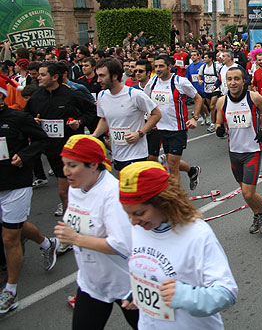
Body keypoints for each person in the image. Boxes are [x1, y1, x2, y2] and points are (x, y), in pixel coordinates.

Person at [118, 161, 238, 328]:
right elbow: (150, 270)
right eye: (128, 214)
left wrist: (184, 296)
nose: (132, 222)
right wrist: (138, 292)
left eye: (139, 213)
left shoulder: (197, 234)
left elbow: (227, 293)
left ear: (164, 202)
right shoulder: (141, 227)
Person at [53, 135, 138, 329]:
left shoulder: (112, 194)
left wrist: (76, 238)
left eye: (72, 166)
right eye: (64, 164)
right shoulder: (77, 186)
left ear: (93, 164)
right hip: (92, 283)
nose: (66, 172)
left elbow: (121, 245)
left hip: (127, 285)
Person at [0, 78, 59, 314]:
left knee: (9, 237)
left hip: (16, 184)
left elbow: (42, 139)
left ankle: (11, 292)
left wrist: (25, 155)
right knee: (15, 226)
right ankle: (47, 244)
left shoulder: (18, 118)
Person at [24, 62, 96, 221]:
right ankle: (76, 222)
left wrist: (79, 122)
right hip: (51, 150)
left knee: (66, 191)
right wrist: (33, 121)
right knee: (68, 191)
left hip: (71, 150)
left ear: (55, 77)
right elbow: (26, 116)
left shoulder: (72, 95)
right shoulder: (36, 97)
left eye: (43, 75)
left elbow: (91, 111)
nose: (38, 78)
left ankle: (75, 227)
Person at [215, 66, 262, 234]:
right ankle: (257, 214)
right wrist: (219, 127)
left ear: (243, 81)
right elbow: (219, 122)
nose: (233, 83)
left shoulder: (253, 98)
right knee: (244, 191)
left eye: (236, 79)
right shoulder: (222, 101)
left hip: (252, 150)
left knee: (248, 193)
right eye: (229, 79)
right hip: (234, 152)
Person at [92, 58, 161, 173]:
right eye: (98, 76)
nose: (98, 80)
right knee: (123, 188)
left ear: (114, 76)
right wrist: (94, 135)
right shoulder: (102, 95)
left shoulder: (134, 95)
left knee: (135, 190)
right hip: (117, 153)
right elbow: (104, 119)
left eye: (102, 76)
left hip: (136, 154)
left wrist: (140, 133)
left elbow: (156, 114)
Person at [144, 55, 203, 189]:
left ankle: (176, 199)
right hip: (159, 128)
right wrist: (149, 118)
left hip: (177, 129)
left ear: (169, 67)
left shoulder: (180, 82)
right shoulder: (152, 81)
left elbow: (198, 98)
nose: (157, 69)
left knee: (172, 164)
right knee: (168, 160)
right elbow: (146, 101)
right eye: (156, 66)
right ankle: (192, 171)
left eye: (161, 66)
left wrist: (195, 118)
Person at [185, 50, 210, 126]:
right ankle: (203, 117)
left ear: (198, 56)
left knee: (201, 104)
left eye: (195, 55)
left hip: (202, 88)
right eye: (191, 55)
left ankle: (208, 115)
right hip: (194, 89)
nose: (193, 57)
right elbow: (187, 78)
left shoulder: (203, 65)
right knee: (198, 105)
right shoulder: (189, 67)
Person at [199, 51, 221, 133]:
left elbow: (221, 76)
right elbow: (199, 75)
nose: (204, 59)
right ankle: (216, 118)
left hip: (215, 88)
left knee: (212, 106)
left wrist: (217, 85)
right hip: (206, 88)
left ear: (210, 58)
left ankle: (213, 123)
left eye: (205, 57)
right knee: (210, 106)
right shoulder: (203, 67)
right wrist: (200, 80)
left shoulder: (217, 66)